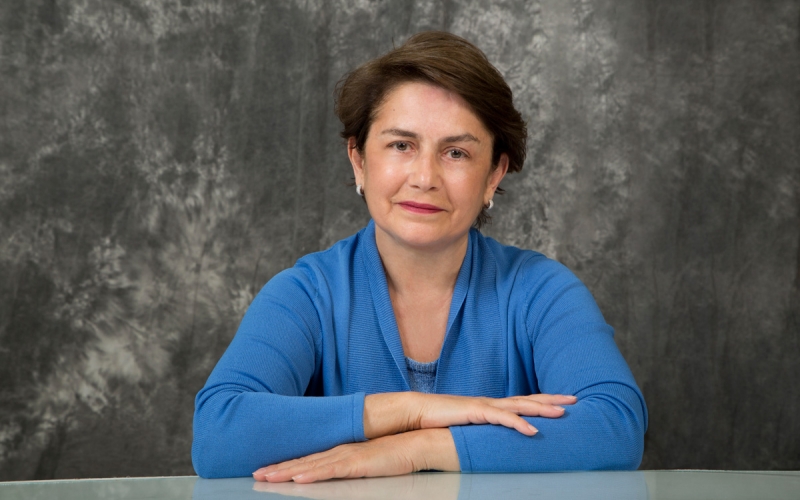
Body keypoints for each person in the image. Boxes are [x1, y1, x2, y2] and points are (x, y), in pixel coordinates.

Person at [192, 31, 647, 482]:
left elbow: (615, 427)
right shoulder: (307, 293)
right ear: (359, 160)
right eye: (401, 145)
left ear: (494, 174)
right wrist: (411, 410)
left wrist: (417, 447)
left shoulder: (540, 290)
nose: (425, 177)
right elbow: (217, 435)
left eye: (456, 152)